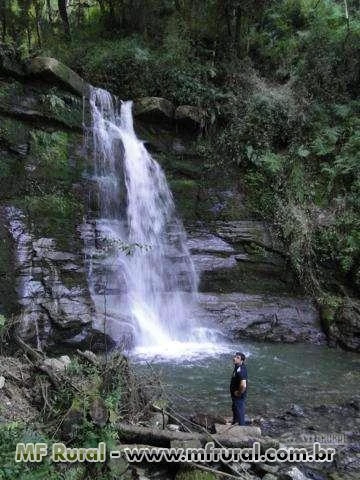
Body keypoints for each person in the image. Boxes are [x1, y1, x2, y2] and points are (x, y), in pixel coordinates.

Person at [229, 352, 247, 426]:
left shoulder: (241, 370)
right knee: (235, 409)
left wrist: (239, 393)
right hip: (235, 395)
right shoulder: (237, 366)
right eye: (235, 357)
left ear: (241, 360)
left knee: (240, 412)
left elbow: (243, 385)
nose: (234, 358)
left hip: (239, 396)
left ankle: (242, 428)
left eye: (237, 358)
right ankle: (235, 423)